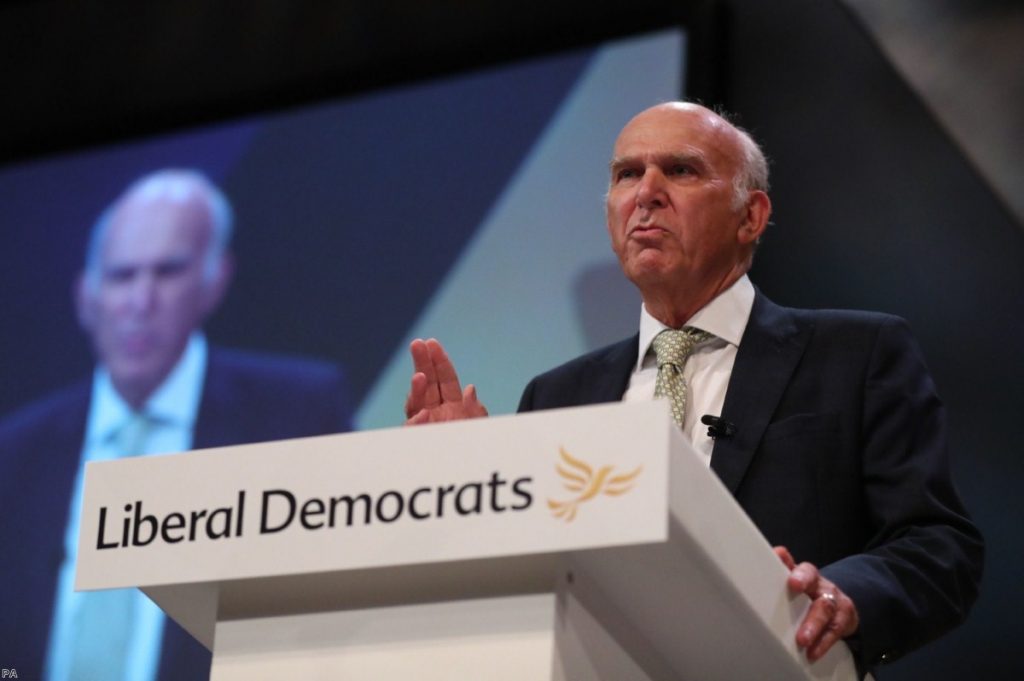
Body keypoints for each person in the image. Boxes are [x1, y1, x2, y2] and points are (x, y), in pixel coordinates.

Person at [403, 102, 983, 674]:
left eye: (680, 170)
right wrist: (474, 478)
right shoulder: (556, 396)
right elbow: (536, 581)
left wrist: (845, 593)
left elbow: (937, 545)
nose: (646, 193)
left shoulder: (856, 355)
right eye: (627, 174)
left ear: (750, 216)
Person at [0, 169, 353, 681]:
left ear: (214, 282)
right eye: (121, 276)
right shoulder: (16, 453)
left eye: (167, 272)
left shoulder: (297, 415)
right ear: (86, 297)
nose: (140, 302)